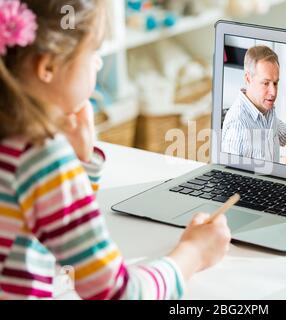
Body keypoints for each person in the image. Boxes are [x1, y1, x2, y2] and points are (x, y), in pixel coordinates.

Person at [0, 0, 230, 300]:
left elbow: (53, 228)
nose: (97, 64)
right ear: (48, 66)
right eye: (93, 52)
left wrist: (81, 163)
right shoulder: (41, 157)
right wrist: (194, 253)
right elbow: (119, 293)